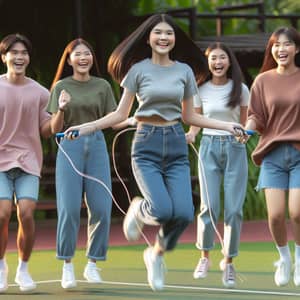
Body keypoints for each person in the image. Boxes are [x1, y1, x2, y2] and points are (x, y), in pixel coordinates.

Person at [64, 14, 245, 291]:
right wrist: (85, 127)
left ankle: (156, 254)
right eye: (158, 33)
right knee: (161, 209)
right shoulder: (137, 70)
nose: (163, 38)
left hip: (175, 143)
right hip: (146, 144)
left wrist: (228, 125)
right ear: (148, 38)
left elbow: (191, 117)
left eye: (169, 34)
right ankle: (139, 209)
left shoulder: (184, 71)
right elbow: (119, 114)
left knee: (184, 213)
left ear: (174, 40)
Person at [47, 38, 117, 289]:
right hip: (69, 145)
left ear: (92, 58)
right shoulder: (61, 86)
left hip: (96, 144)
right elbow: (54, 129)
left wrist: (133, 120)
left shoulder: (103, 86)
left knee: (101, 207)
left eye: (87, 53)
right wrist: (62, 109)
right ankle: (67, 265)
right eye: (77, 54)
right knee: (68, 208)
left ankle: (92, 263)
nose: (83, 57)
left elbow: (113, 119)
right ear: (69, 60)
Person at [185, 42, 249, 288]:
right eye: (213, 58)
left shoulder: (241, 89)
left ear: (229, 61)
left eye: (222, 58)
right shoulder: (200, 89)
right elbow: (196, 120)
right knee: (208, 206)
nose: (218, 62)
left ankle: (229, 262)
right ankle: (204, 257)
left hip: (235, 149)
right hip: (208, 147)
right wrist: (191, 133)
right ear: (208, 62)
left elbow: (244, 124)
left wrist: (244, 135)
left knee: (233, 209)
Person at [244, 27, 300, 287]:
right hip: (272, 154)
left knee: (297, 212)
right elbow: (256, 115)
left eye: (287, 44)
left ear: (296, 49)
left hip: (299, 153)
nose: (281, 49)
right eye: (277, 45)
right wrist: (247, 130)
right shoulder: (262, 81)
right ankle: (284, 258)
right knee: (276, 215)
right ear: (272, 50)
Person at [0, 33, 52, 292]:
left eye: (24, 53)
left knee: (26, 214)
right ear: (4, 57)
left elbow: (46, 130)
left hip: (29, 162)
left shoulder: (41, 93)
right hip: (0, 163)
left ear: (28, 58)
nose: (19, 57)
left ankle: (23, 269)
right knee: (1, 214)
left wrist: (61, 111)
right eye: (14, 52)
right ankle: (1, 267)